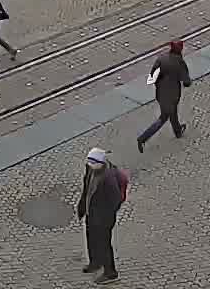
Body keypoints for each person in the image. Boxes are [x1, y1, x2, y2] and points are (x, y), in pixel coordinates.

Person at [76, 147, 125, 284]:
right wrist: (82, 206)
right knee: (91, 237)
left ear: (101, 163)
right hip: (91, 212)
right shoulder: (91, 168)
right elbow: (86, 188)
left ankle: (110, 272)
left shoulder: (109, 178)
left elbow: (115, 201)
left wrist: (105, 216)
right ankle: (95, 262)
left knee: (104, 243)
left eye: (93, 163)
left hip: (103, 218)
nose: (90, 166)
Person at [136, 39, 192, 151]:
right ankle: (142, 138)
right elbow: (186, 82)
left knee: (172, 113)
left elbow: (153, 75)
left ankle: (178, 131)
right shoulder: (180, 62)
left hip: (160, 93)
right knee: (164, 117)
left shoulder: (161, 58)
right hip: (173, 95)